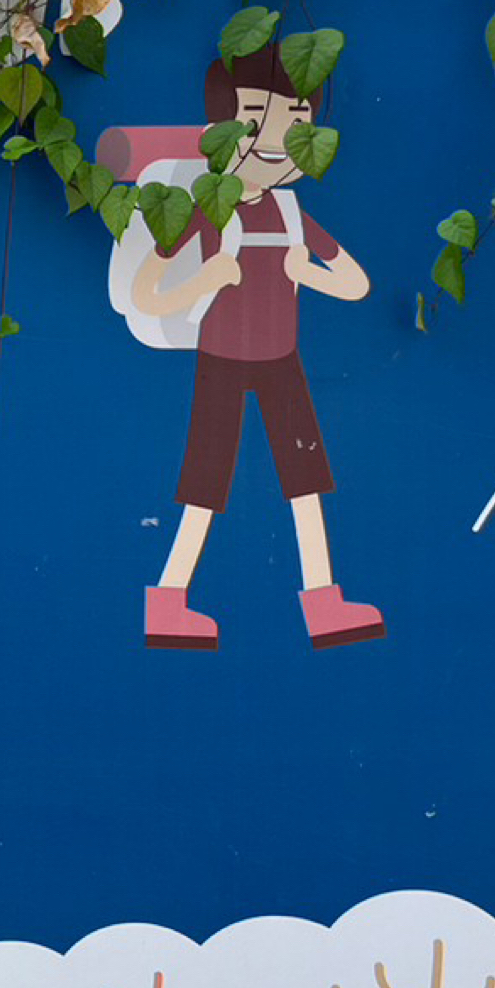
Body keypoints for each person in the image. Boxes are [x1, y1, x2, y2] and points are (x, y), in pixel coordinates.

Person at [130, 54, 384, 650]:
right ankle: (168, 602)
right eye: (253, 117)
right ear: (219, 130)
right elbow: (147, 292)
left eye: (295, 121)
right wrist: (206, 277)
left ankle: (324, 604)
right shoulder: (208, 209)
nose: (274, 140)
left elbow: (355, 283)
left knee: (305, 480)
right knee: (205, 481)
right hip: (221, 358)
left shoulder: (293, 212)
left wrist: (307, 272)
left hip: (281, 359)